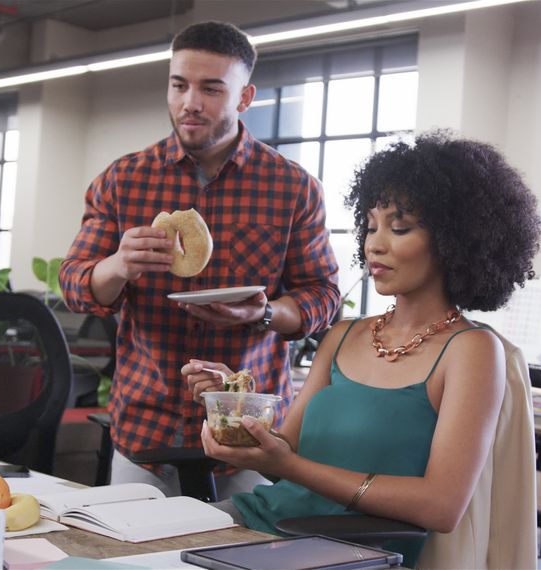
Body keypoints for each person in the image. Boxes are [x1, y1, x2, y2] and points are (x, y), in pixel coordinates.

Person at [193, 131, 541, 567]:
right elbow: (280, 456)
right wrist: (234, 403)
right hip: (260, 521)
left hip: (340, 554)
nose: (374, 244)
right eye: (371, 225)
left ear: (456, 240)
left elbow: (442, 507)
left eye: (399, 228)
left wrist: (292, 467)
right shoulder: (343, 336)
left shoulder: (471, 351)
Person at [59, 21, 341, 498]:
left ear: (245, 97)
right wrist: (118, 267)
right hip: (144, 428)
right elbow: (76, 284)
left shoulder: (292, 187)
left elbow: (323, 297)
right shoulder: (124, 179)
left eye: (211, 89)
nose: (190, 102)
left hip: (249, 434)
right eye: (179, 85)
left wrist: (265, 312)